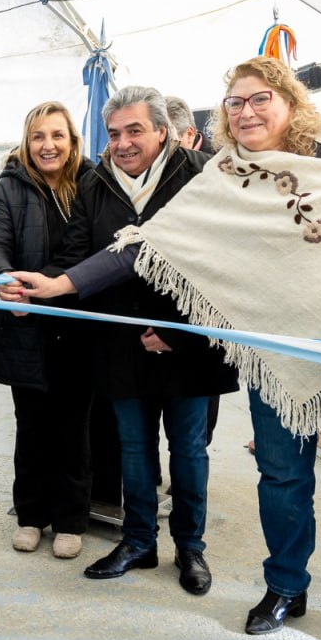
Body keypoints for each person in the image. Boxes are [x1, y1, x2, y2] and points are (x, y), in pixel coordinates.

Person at [9, 56, 321, 640]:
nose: (246, 112)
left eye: (259, 99)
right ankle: (285, 587)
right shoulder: (225, 174)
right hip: (275, 351)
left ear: (288, 101)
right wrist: (60, 285)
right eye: (234, 103)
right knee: (281, 477)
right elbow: (149, 244)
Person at [45, 87, 236, 593]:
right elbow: (80, 251)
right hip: (122, 341)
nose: (124, 143)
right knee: (134, 448)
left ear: (162, 131)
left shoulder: (200, 175)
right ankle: (138, 541)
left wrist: (171, 328)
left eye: (135, 130)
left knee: (189, 449)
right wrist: (38, 282)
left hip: (188, 341)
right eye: (114, 134)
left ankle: (190, 548)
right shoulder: (97, 183)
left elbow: (219, 261)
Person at [0, 101, 96, 559]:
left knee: (74, 429)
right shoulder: (9, 189)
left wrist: (44, 286)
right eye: (38, 137)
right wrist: (5, 280)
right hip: (25, 326)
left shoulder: (92, 183)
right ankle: (31, 516)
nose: (47, 145)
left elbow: (85, 249)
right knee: (31, 429)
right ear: (27, 143)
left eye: (56, 136)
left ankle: (70, 521)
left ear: (71, 143)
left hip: (76, 326)